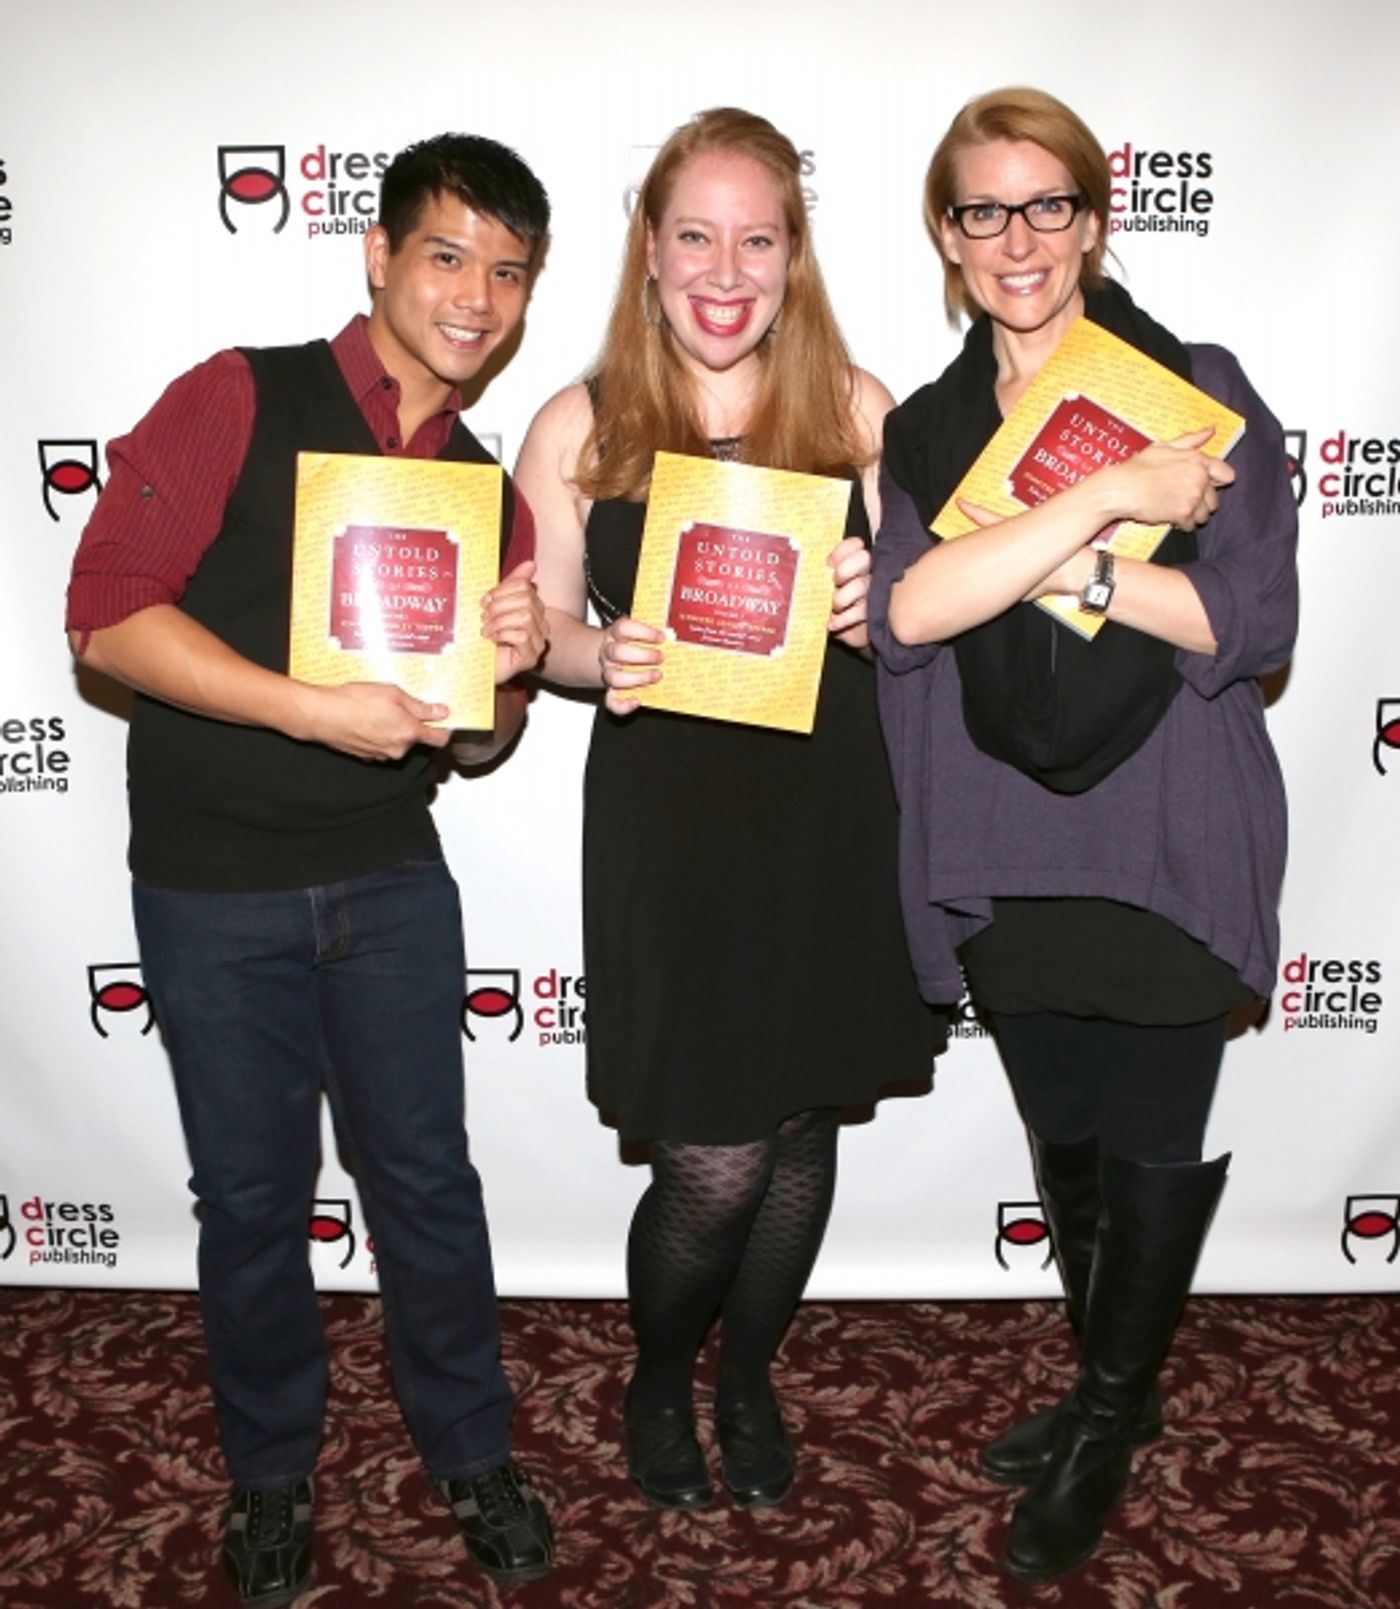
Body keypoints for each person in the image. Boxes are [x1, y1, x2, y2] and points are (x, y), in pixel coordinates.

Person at [65, 134, 557, 1605]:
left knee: (426, 1183)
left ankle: (470, 1443)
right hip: (214, 889)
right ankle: (272, 1470)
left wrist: (513, 675)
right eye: (449, 255)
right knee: (251, 1197)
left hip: (393, 880)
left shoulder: (480, 486)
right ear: (380, 255)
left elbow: (470, 743)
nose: (477, 296)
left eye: (509, 272)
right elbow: (105, 619)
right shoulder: (240, 392)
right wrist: (309, 706)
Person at [868, 87, 1297, 1582]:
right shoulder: (925, 432)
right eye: (983, 210)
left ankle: (1110, 1412)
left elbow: (1247, 617)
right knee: (1067, 1140)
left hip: (1169, 829)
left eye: (1048, 204)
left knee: (1153, 1140)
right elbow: (917, 612)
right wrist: (1116, 503)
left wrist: (1065, 573)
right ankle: (1109, 1377)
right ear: (947, 236)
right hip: (1003, 839)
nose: (1019, 239)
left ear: (1095, 220)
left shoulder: (1196, 386)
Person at [515, 108, 943, 1512]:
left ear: (795, 257)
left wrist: (880, 614)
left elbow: (930, 622)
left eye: (758, 237)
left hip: (828, 819)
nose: (725, 268)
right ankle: (659, 1372)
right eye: (695, 233)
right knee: (715, 1156)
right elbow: (545, 634)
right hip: (672, 830)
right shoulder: (579, 422)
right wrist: (605, 658)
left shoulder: (862, 411)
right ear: (649, 251)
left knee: (804, 1132)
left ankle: (748, 1372)